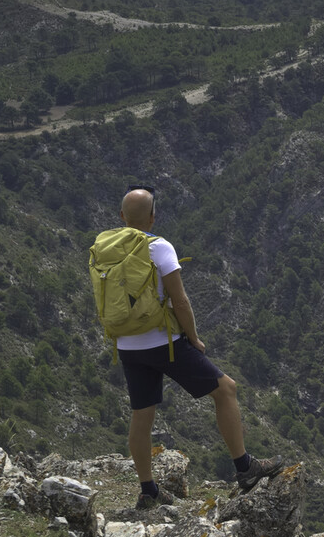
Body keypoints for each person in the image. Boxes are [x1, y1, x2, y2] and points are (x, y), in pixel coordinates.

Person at [111, 187, 282, 508]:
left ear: (121, 217)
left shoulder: (106, 248)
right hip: (165, 343)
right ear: (152, 217)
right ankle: (245, 468)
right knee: (226, 390)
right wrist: (193, 337)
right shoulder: (158, 247)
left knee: (142, 415)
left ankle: (148, 491)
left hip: (127, 345)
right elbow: (181, 300)